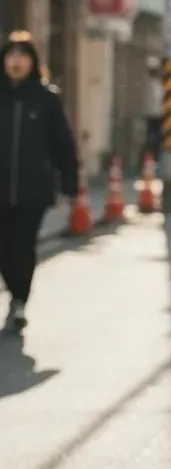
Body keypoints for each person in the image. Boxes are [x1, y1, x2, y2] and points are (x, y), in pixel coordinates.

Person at [0, 31, 78, 331]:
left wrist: (70, 182)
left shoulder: (46, 99)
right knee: (4, 249)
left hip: (33, 190)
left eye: (23, 55)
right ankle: (15, 292)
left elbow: (62, 143)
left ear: (33, 62)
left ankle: (19, 301)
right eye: (11, 55)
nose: (16, 61)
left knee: (23, 246)